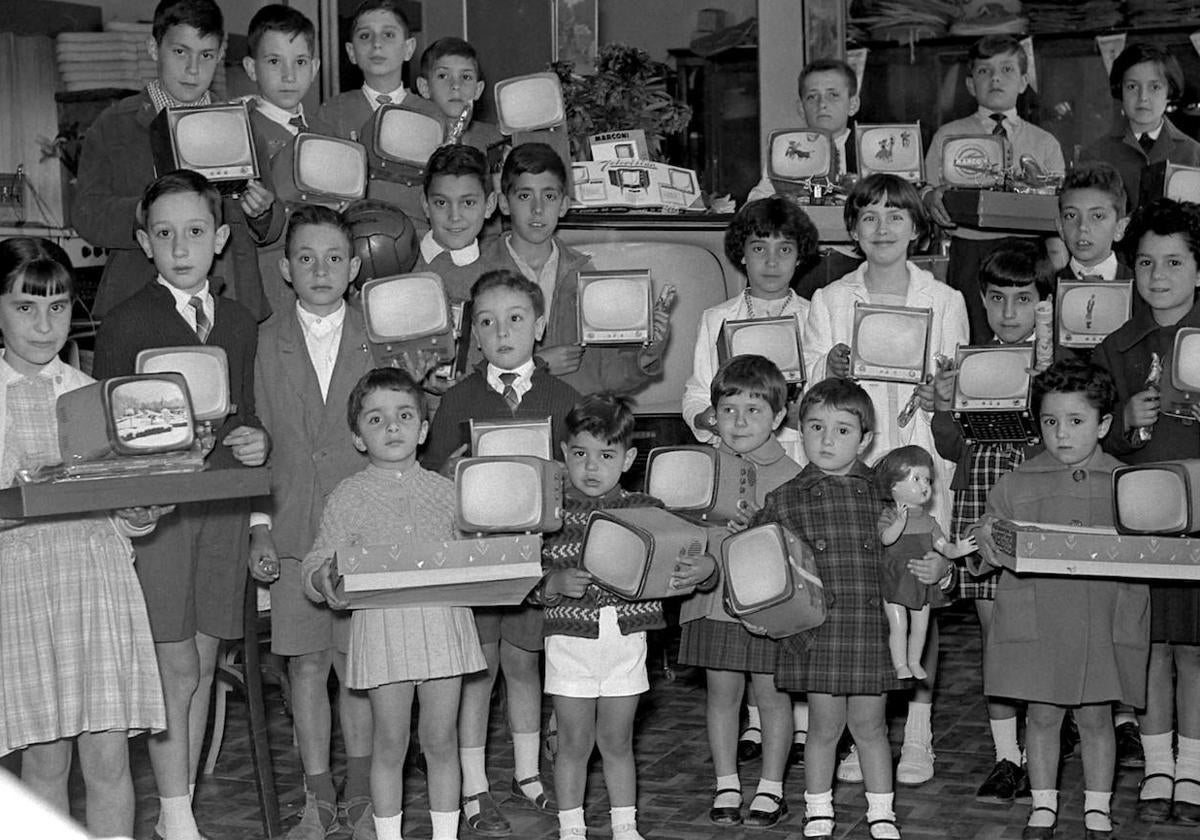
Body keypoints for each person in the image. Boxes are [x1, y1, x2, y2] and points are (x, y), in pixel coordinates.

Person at [92, 170, 270, 840]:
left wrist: (257, 447)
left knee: (199, 663)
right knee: (174, 664)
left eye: (195, 231)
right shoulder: (126, 323)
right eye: (164, 233)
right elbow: (108, 431)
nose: (180, 245)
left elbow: (248, 419)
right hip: (161, 513)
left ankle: (179, 808)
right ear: (144, 243)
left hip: (222, 506)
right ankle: (175, 815)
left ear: (220, 238)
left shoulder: (240, 322)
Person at [0, 238, 168, 839]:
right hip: (21, 589)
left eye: (59, 306)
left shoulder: (99, 394)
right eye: (25, 307)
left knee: (108, 757)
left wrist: (142, 509)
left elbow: (124, 513)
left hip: (96, 582)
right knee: (45, 759)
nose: (44, 325)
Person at [805, 173, 969, 786]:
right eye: (869, 217)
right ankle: (861, 735)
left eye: (895, 217)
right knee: (861, 600)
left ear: (915, 228)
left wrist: (940, 392)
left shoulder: (944, 299)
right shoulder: (831, 299)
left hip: (918, 457)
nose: (882, 228)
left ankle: (919, 734)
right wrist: (833, 366)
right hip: (855, 466)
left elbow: (958, 389)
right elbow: (814, 391)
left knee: (917, 590)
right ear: (852, 230)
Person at [421, 269, 579, 837]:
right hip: (479, 557)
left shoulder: (563, 398)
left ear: (538, 326)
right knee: (479, 668)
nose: (501, 331)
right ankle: (472, 784)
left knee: (525, 661)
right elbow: (433, 478)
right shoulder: (457, 399)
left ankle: (528, 774)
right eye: (486, 322)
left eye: (515, 319)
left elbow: (587, 473)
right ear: (474, 335)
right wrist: (446, 475)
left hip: (541, 554)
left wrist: (568, 478)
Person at [750, 378, 943, 839]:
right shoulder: (785, 498)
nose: (827, 439)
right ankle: (818, 808)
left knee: (871, 726)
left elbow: (918, 550)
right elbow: (758, 564)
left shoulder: (886, 495)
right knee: (822, 727)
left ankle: (882, 811)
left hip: (872, 626)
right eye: (816, 426)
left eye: (842, 429)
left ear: (866, 439)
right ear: (800, 430)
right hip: (820, 629)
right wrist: (759, 613)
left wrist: (938, 569)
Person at [969, 358, 1151, 840]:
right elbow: (986, 542)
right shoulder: (1016, 482)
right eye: (1050, 422)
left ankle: (1097, 807)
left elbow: (1153, 549)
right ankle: (1043, 805)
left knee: (1096, 717)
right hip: (1040, 619)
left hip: (1102, 617)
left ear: (1104, 424)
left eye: (1076, 421)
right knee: (1043, 715)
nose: (1062, 434)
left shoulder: (1128, 484)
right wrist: (986, 539)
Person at [304, 367, 485, 840]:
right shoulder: (348, 496)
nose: (392, 427)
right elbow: (318, 560)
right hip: (383, 630)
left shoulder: (449, 492)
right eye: (376, 419)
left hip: (443, 625)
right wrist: (323, 577)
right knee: (390, 741)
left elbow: (478, 550)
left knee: (442, 740)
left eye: (405, 416)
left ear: (423, 429)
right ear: (358, 438)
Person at [248, 205, 376, 840]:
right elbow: (255, 440)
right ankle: (317, 797)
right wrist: (258, 525)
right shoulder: (263, 339)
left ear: (354, 268)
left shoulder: (377, 335)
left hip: (364, 533)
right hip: (293, 529)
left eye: (333, 258)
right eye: (306, 258)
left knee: (357, 669)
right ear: (285, 268)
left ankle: (359, 796)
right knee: (305, 667)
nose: (320, 270)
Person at [536, 393, 715, 840]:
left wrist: (702, 569)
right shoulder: (549, 514)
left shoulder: (646, 511)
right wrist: (551, 585)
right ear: (563, 454)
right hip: (569, 644)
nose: (591, 467)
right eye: (580, 454)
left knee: (616, 741)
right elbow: (524, 574)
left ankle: (625, 826)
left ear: (628, 458)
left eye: (606, 455)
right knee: (573, 744)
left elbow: (687, 558)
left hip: (625, 644)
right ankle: (571, 828)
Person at [929, 239, 1050, 802]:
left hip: (1042, 506)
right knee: (996, 634)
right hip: (980, 500)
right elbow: (952, 447)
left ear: (1043, 303)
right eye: (997, 299)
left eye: (1022, 299)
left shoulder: (1058, 367)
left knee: (1047, 631)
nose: (1008, 313)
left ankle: (1046, 737)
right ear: (982, 299)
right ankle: (1008, 757)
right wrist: (942, 405)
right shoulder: (969, 360)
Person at [1093, 197, 1200, 826]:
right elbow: (1093, 435)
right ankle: (1158, 764)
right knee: (1150, 646)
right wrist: (1125, 427)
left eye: (1175, 262)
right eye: (1146, 263)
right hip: (1142, 520)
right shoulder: (1119, 346)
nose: (1158, 276)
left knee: (1195, 649)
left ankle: (1193, 765)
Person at [73, 0, 279, 322]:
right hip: (138, 306)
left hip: (230, 305)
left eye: (206, 55)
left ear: (221, 55)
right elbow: (86, 214)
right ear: (154, 48)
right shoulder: (113, 125)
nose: (193, 69)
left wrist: (262, 213)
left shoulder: (243, 125)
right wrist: (143, 211)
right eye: (180, 52)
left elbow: (273, 219)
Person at [676, 355, 801, 828]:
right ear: (713, 414)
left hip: (768, 606)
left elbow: (800, 550)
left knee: (772, 697)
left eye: (754, 410)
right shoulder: (702, 465)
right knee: (721, 694)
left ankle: (771, 787)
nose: (740, 421)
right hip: (712, 602)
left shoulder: (792, 474)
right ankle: (726, 782)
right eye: (728, 410)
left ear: (779, 416)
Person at [481, 142, 674, 396]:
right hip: (506, 425)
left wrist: (649, 352)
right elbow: (465, 374)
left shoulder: (585, 275)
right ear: (505, 204)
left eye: (549, 196)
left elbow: (606, 373)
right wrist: (538, 365)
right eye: (525, 196)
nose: (538, 209)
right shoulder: (480, 270)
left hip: (572, 423)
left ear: (563, 205)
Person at [922, 34, 1065, 343]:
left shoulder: (1045, 143)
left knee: (1033, 337)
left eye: (1007, 70)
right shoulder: (948, 136)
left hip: (1029, 251)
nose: (996, 78)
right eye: (984, 71)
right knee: (972, 333)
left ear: (1024, 81)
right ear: (971, 84)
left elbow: (1058, 207)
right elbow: (925, 191)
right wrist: (929, 197)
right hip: (970, 249)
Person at [684, 195, 820, 462]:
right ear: (742, 254)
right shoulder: (717, 318)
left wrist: (802, 416)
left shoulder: (815, 316)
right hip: (735, 451)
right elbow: (698, 392)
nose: (772, 262)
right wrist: (706, 418)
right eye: (759, 249)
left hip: (800, 453)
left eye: (784, 250)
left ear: (799, 257)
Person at [314, 0, 444, 232]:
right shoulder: (333, 113)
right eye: (365, 36)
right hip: (351, 239)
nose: (376, 44)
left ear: (408, 48)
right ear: (351, 52)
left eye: (388, 35)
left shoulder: (431, 115)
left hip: (419, 236)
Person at [242, 3, 321, 316]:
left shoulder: (326, 131)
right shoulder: (241, 131)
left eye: (300, 62)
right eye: (274, 61)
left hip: (325, 275)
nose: (289, 75)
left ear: (314, 68)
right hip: (270, 282)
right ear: (251, 68)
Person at [875, 446, 975, 680]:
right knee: (898, 626)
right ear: (893, 485)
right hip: (896, 578)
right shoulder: (889, 516)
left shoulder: (930, 521)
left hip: (922, 580)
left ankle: (914, 661)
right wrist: (900, 522)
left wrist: (957, 550)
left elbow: (943, 546)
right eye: (916, 479)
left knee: (921, 626)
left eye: (927, 480)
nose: (924, 486)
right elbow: (886, 538)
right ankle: (900, 664)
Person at [412, 143, 498, 386]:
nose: (454, 216)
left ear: (489, 206)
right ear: (425, 205)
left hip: (469, 410)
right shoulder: (397, 260)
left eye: (468, 203)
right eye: (441, 203)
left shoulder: (497, 280)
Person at [1080, 43, 1200, 213]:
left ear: (1169, 92)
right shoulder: (1094, 155)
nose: (1143, 97)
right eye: (1132, 87)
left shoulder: (1194, 154)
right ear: (1119, 90)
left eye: (1155, 87)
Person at [416, 37, 503, 155]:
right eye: (443, 76)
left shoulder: (494, 140)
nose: (456, 85)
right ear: (424, 87)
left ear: (478, 89)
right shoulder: (412, 139)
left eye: (466, 77)